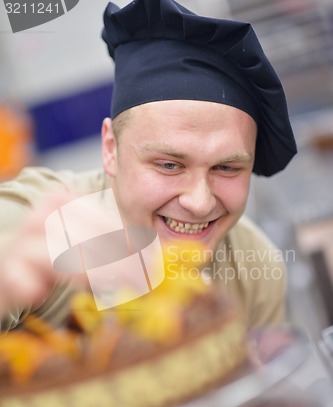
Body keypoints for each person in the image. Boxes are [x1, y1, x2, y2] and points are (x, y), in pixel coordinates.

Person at [0, 0, 297, 333]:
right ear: (111, 149)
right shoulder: (42, 226)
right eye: (169, 164)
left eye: (226, 168)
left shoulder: (252, 269)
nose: (199, 203)